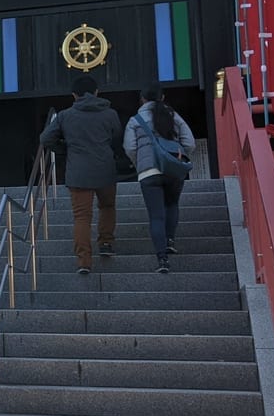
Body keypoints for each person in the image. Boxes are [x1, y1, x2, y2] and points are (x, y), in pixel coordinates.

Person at [40, 75, 123, 274]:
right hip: (105, 169)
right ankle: (105, 243)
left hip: (78, 172)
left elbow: (45, 139)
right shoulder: (110, 114)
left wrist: (64, 149)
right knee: (107, 206)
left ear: (74, 95)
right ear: (96, 92)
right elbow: (117, 137)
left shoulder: (64, 116)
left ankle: (84, 260)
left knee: (81, 217)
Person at [124, 85, 196, 273]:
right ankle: (170, 240)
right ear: (162, 97)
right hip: (173, 169)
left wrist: (140, 163)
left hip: (148, 172)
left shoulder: (135, 120)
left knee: (156, 215)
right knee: (172, 205)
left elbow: (130, 147)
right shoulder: (173, 116)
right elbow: (189, 142)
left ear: (142, 99)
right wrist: (178, 157)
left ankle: (162, 260)